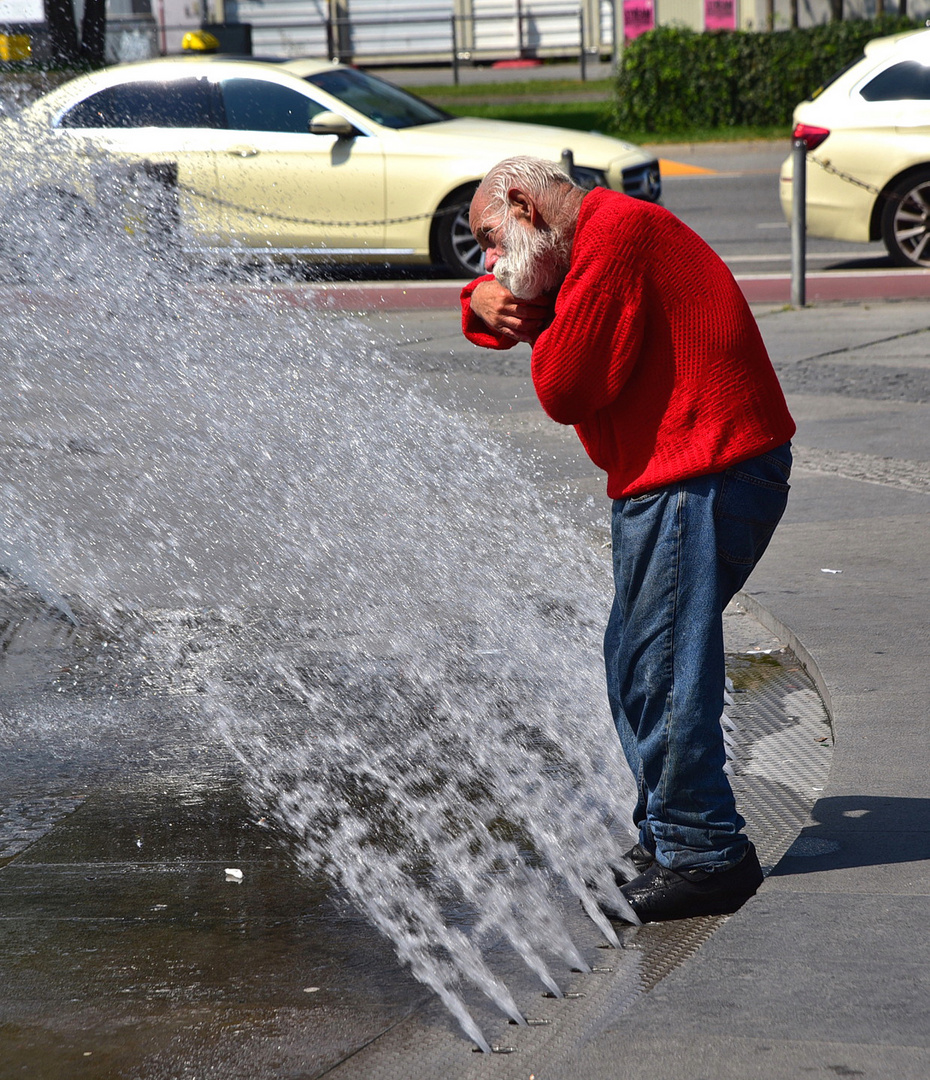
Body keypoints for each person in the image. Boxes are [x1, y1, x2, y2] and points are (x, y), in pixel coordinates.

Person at [460, 155, 796, 923]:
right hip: (688, 472)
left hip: (699, 472)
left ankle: (706, 853)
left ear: (525, 206)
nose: (488, 261)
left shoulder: (617, 239)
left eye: (488, 240)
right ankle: (667, 832)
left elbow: (568, 385)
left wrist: (508, 307)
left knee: (661, 665)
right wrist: (483, 297)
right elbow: (525, 303)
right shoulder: (591, 240)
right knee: (637, 657)